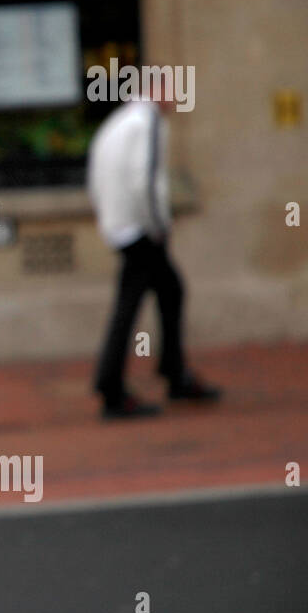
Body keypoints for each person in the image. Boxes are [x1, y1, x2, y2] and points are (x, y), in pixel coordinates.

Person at [87, 89, 221, 419]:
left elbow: (97, 174)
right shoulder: (147, 121)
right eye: (170, 88)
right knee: (135, 303)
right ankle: (115, 386)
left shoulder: (119, 122)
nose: (176, 96)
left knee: (167, 291)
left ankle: (170, 372)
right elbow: (144, 180)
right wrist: (158, 225)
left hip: (122, 225)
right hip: (139, 229)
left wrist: (111, 220)